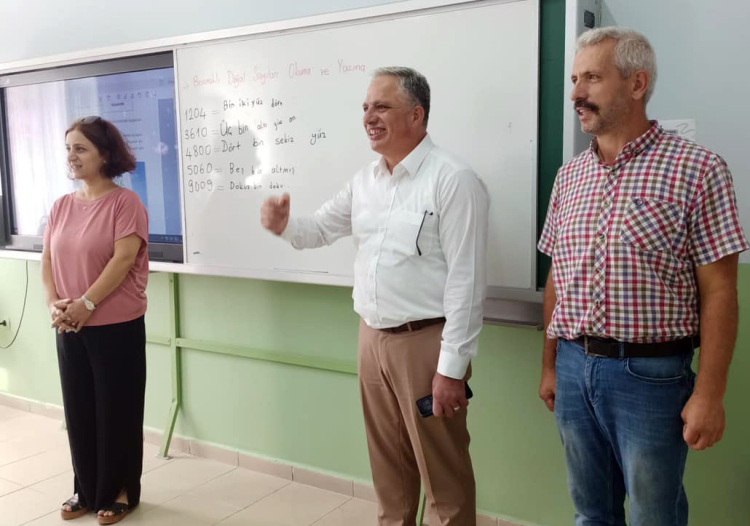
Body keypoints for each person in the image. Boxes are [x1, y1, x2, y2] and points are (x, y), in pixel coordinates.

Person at [537, 27, 748, 526]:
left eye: (591, 78)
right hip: (573, 367)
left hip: (650, 378)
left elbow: (720, 291)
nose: (575, 93)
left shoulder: (698, 169)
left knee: (655, 516)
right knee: (591, 513)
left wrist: (710, 394)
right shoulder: (569, 177)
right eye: (573, 79)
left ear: (637, 83)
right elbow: (556, 278)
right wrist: (550, 365)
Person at [261, 67, 489, 525]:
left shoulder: (453, 179)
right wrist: (284, 226)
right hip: (372, 340)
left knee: (442, 476)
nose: (369, 116)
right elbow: (320, 228)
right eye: (366, 107)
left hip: (426, 343)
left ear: (416, 115)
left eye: (382, 106)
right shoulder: (365, 181)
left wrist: (451, 369)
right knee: (389, 473)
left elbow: (466, 282)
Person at [41, 116, 149, 525]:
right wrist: (54, 305)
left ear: (104, 154)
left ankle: (120, 490)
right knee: (79, 410)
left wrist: (87, 303)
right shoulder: (61, 206)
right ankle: (85, 489)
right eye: (68, 148)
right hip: (69, 324)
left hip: (115, 326)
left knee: (116, 410)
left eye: (81, 148)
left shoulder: (125, 203)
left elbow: (123, 260)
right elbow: (47, 260)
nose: (71, 156)